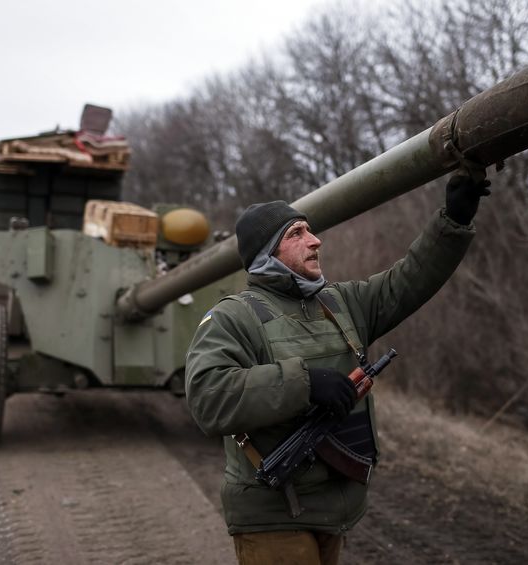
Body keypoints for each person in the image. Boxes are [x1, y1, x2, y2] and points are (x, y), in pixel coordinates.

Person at [185, 172, 491, 565]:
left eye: (310, 231)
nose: (315, 241)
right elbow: (208, 397)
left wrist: (454, 220)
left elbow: (409, 280)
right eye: (296, 234)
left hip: (334, 511)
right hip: (272, 515)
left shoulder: (342, 302)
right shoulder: (233, 317)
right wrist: (305, 383)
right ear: (266, 252)